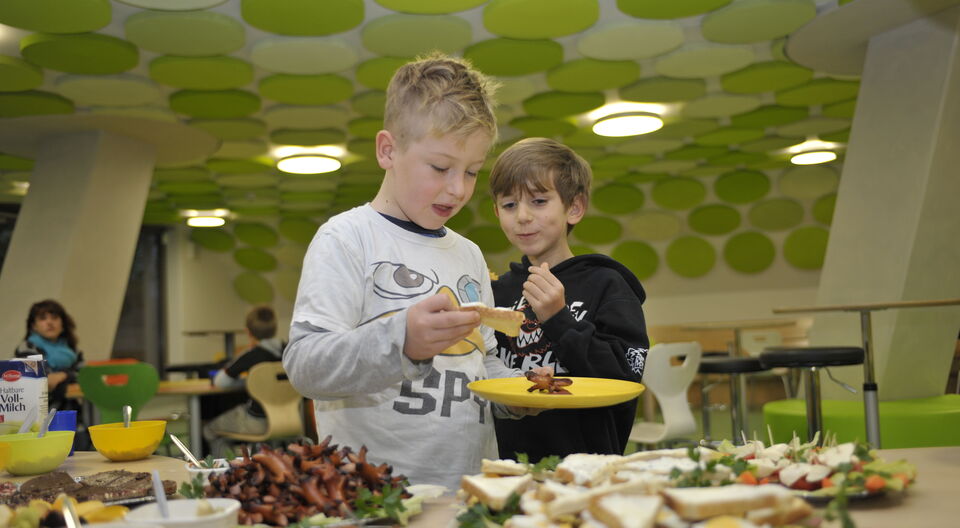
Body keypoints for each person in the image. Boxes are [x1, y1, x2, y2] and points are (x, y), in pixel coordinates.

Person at [283, 53, 531, 490]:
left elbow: (485, 359)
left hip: (469, 487)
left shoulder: (469, 254)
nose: (458, 189)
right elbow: (306, 364)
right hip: (376, 495)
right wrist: (402, 341)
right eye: (440, 168)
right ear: (388, 150)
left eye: (472, 172)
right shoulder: (347, 238)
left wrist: (519, 395)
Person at [489, 137, 650, 462]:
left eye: (538, 201)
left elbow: (625, 378)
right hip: (506, 466)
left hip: (587, 465)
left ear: (574, 208)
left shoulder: (607, 284)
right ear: (497, 212)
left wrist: (559, 320)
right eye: (509, 205)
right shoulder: (495, 291)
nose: (522, 216)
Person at [203, 305, 286, 457]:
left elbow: (220, 382)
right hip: (289, 418)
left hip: (259, 421)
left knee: (209, 430)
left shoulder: (252, 355)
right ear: (275, 328)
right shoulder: (288, 350)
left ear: (248, 332)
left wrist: (246, 380)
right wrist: (251, 381)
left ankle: (229, 468)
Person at [15, 299, 84, 413]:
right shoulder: (27, 348)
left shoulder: (72, 349)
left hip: (71, 410)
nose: (49, 322)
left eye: (54, 318)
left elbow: (84, 376)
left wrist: (63, 375)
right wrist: (69, 376)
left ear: (63, 324)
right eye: (43, 318)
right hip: (38, 412)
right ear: (34, 326)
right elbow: (44, 382)